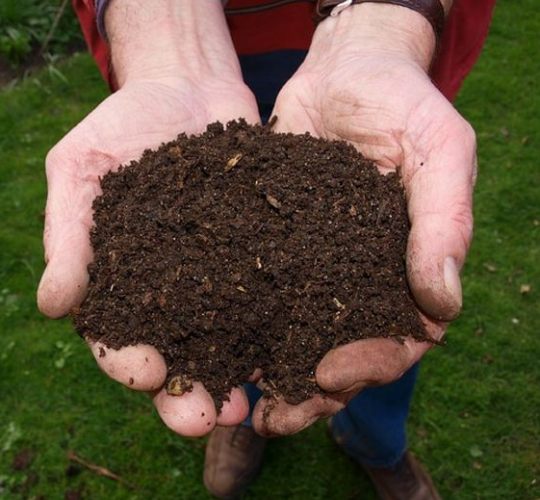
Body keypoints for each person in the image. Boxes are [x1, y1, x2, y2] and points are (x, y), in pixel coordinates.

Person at [37, 0, 496, 498]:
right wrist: (167, 30)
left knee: (390, 314)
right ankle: (237, 412)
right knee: (243, 340)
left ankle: (378, 445)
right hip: (218, 35)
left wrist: (384, 24)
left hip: (383, 34)